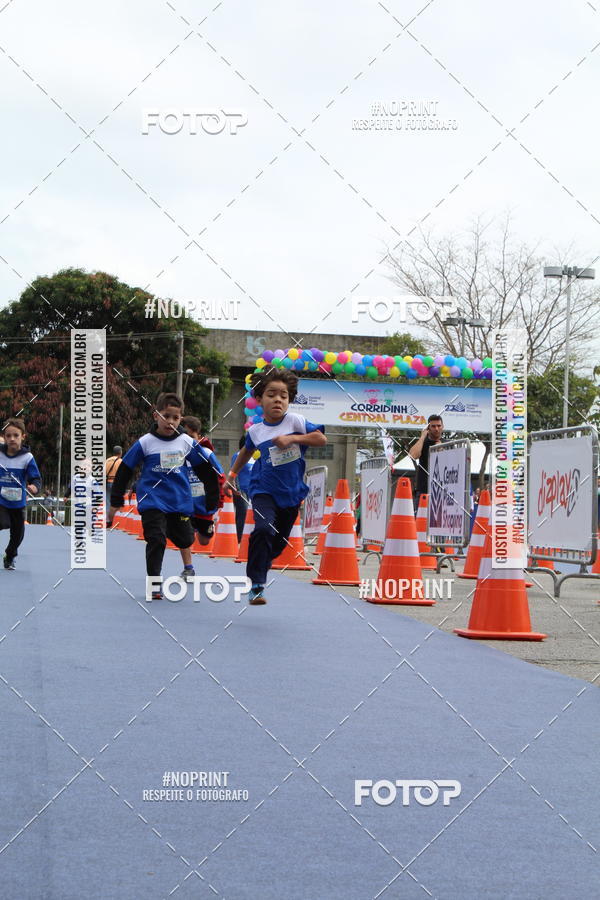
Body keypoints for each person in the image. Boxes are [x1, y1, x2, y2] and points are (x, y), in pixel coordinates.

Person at [107, 393, 222, 600]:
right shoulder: (146, 443)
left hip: (179, 501)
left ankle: (174, 534)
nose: (170, 422)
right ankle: (154, 583)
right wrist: (115, 502)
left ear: (181, 419)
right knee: (156, 540)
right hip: (152, 499)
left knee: (185, 538)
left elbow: (205, 471)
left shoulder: (187, 442)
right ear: (156, 415)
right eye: (166, 416)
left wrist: (212, 498)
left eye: (175, 418)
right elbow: (125, 470)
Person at [227, 369, 326, 605]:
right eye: (271, 394)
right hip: (263, 490)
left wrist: (293, 439)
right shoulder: (256, 430)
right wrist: (231, 475)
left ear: (289, 399)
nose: (278, 399)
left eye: (283, 395)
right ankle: (257, 585)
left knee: (279, 543)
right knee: (263, 530)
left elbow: (321, 439)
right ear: (260, 399)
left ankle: (260, 562)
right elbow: (247, 451)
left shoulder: (297, 422)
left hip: (291, 493)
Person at [178, 416, 224, 580]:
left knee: (204, 541)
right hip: (185, 503)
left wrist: (218, 499)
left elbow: (220, 475)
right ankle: (188, 567)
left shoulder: (206, 453)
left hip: (204, 504)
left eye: (191, 437)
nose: (188, 440)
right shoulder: (177, 454)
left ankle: (199, 528)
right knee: (185, 537)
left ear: (197, 435)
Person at [0, 418, 42, 570]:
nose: (12, 439)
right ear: (4, 437)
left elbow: (35, 478)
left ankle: (9, 556)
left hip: (18, 502)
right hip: (1, 500)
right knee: (3, 522)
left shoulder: (27, 457)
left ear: (23, 436)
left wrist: (34, 487)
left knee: (18, 535)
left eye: (16, 435)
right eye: (8, 435)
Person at [408, 414, 444, 513]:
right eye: (433, 426)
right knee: (420, 523)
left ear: (443, 427)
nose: (436, 429)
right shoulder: (423, 442)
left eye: (439, 426)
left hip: (442, 492)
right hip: (424, 490)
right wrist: (423, 436)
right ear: (428, 428)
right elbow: (413, 455)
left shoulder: (447, 444)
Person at [230, 435, 255, 541]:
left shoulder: (254, 458)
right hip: (241, 491)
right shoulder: (238, 455)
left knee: (251, 515)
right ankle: (239, 539)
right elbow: (234, 471)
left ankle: (247, 537)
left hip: (252, 491)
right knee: (243, 513)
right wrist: (236, 488)